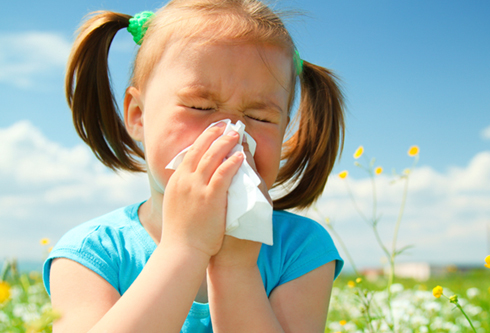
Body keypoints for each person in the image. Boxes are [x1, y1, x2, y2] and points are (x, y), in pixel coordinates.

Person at [43, 0, 346, 331]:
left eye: (260, 117)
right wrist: (184, 249)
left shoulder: (300, 248)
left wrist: (235, 268)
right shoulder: (91, 253)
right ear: (138, 116)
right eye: (200, 106)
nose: (231, 134)